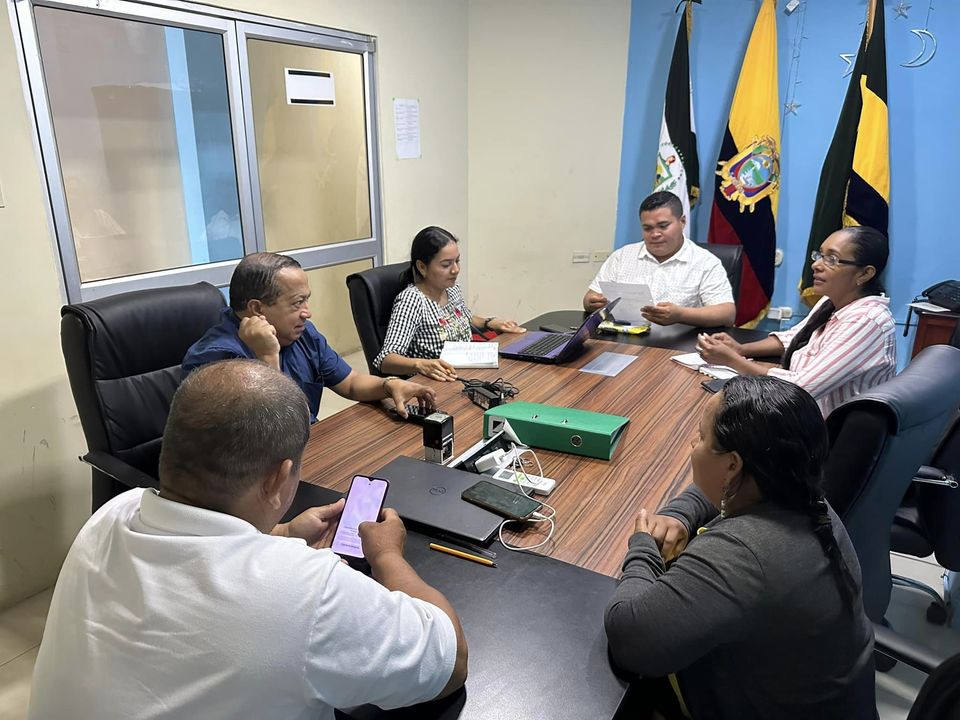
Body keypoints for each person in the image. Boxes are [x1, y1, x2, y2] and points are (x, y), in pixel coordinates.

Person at [29, 360, 468, 720]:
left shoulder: (111, 515)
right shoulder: (304, 590)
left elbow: (199, 549)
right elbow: (449, 662)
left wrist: (284, 532)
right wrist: (387, 554)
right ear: (279, 478)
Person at [604, 376, 875, 720]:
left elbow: (631, 641)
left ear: (732, 465)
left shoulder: (744, 553)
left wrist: (643, 548)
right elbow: (720, 489)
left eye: (701, 437)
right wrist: (678, 515)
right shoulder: (800, 495)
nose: (693, 445)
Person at [182, 252, 435, 420]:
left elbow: (349, 382)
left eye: (306, 300)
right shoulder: (214, 361)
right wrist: (267, 358)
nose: (307, 313)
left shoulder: (299, 333)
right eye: (297, 303)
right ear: (258, 309)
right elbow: (266, 436)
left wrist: (388, 385)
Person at [696, 225, 895, 417]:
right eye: (820, 255)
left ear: (865, 273)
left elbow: (800, 388)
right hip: (800, 411)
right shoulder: (833, 300)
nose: (816, 265)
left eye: (832, 259)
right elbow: (794, 338)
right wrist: (740, 349)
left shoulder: (865, 321)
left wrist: (732, 360)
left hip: (825, 428)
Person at [375, 226, 526, 381]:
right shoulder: (411, 301)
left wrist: (490, 322)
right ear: (422, 267)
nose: (455, 270)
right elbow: (386, 360)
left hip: (468, 374)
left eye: (457, 261)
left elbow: (463, 319)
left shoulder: (452, 289)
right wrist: (420, 364)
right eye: (446, 265)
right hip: (435, 383)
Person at [583, 191, 735, 327]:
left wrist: (681, 315)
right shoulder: (622, 256)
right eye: (647, 228)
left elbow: (727, 314)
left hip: (679, 342)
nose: (655, 234)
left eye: (663, 226)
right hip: (623, 337)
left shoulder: (705, 262)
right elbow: (590, 298)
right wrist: (591, 302)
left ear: (682, 222)